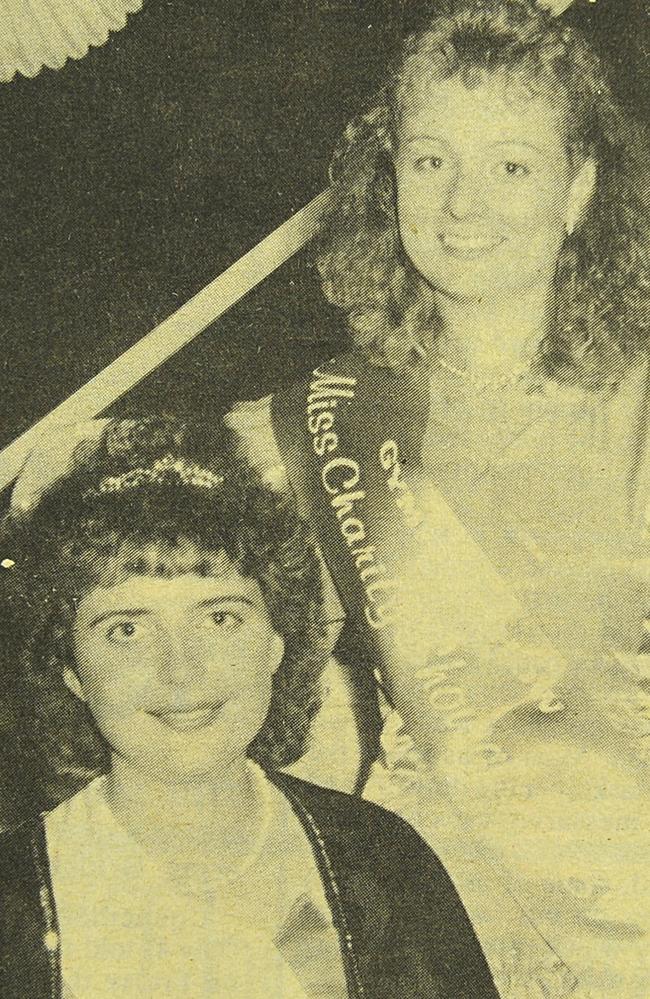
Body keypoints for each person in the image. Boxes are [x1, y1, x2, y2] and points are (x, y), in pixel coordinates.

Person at [7, 1, 649, 994]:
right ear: (388, 178)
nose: (460, 206)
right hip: (434, 919)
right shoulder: (323, 422)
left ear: (578, 189)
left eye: (509, 166)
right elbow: (110, 487)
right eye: (430, 161)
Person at [0, 416, 498, 999]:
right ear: (71, 671)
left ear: (274, 643)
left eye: (219, 618)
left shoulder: (381, 854)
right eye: (127, 629)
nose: (181, 669)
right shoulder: (14, 901)